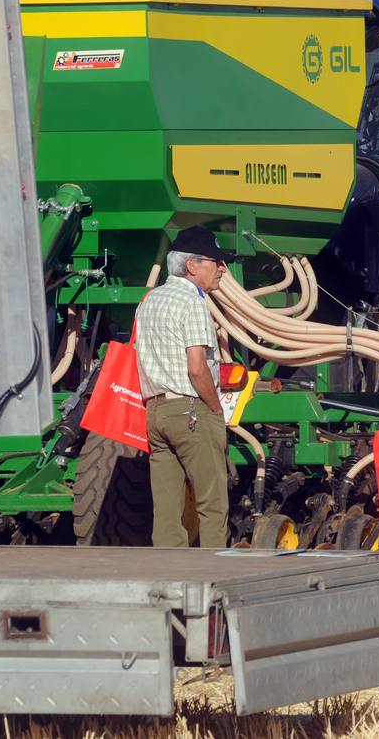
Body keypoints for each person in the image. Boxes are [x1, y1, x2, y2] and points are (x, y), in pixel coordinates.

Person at [134, 225, 236, 548]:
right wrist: (216, 407)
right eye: (216, 261)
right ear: (192, 265)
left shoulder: (148, 301)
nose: (222, 268)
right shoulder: (192, 301)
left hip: (155, 412)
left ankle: (170, 582)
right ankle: (213, 579)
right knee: (212, 503)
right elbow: (197, 367)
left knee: (167, 512)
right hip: (190, 409)